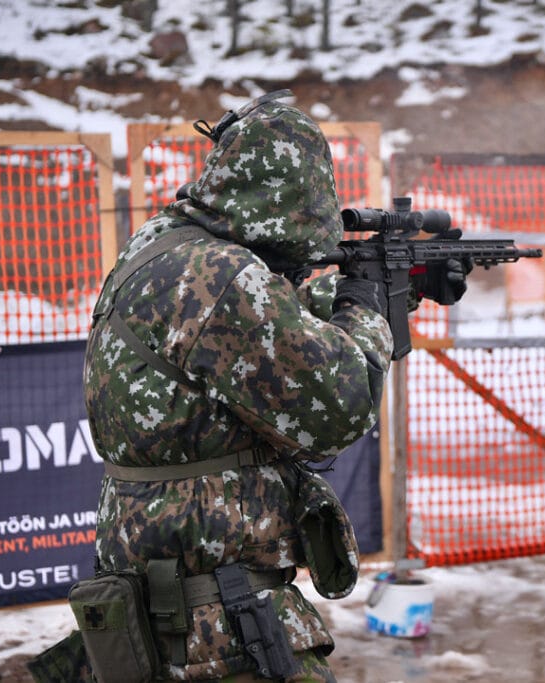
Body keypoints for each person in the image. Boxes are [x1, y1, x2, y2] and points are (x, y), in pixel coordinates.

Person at [74, 90, 466, 682]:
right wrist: (366, 306)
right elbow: (341, 405)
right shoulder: (223, 274)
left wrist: (387, 290)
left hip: (166, 607)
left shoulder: (164, 246)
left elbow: (261, 333)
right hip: (220, 626)